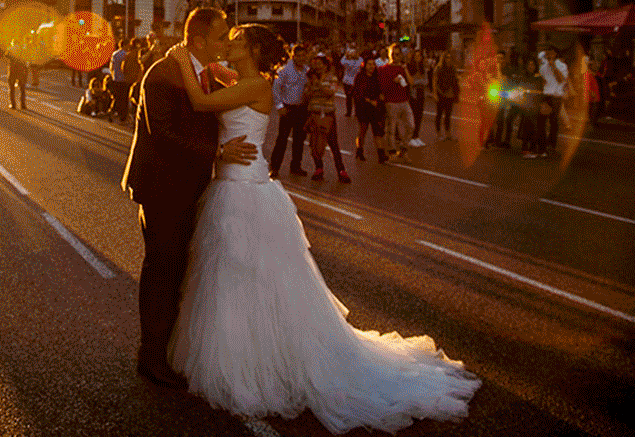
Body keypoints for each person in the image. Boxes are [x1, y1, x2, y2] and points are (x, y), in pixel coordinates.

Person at [163, 23, 480, 434]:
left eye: (236, 41)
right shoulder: (241, 79)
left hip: (244, 189)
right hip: (233, 183)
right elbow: (218, 79)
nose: (228, 44)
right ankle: (249, 354)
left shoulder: (256, 85)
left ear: (253, 50)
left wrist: (178, 58)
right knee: (234, 279)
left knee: (250, 277)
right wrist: (205, 64)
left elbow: (202, 102)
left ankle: (258, 364)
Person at [121, 7, 257, 390]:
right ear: (197, 41)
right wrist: (217, 153)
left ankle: (166, 350)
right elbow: (162, 132)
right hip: (162, 187)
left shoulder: (207, 73)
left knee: (179, 269)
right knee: (163, 269)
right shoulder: (163, 73)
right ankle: (150, 356)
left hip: (192, 186)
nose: (226, 43)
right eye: (219, 37)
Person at [303, 54, 350, 182]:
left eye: (319, 63)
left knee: (333, 144)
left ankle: (341, 170)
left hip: (328, 114)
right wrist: (311, 88)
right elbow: (306, 93)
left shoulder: (332, 78)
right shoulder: (310, 78)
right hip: (314, 113)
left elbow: (330, 92)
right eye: (315, 63)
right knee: (314, 143)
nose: (317, 66)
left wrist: (318, 85)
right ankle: (319, 168)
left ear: (325, 65)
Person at [268, 43, 310, 178]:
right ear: (293, 56)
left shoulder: (307, 71)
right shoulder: (284, 70)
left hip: (301, 109)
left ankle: (296, 166)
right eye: (299, 55)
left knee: (299, 140)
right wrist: (279, 106)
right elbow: (276, 88)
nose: (301, 58)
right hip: (288, 108)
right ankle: (274, 167)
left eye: (304, 55)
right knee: (282, 139)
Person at [377, 44, 414, 162]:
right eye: (393, 54)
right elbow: (382, 87)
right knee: (392, 129)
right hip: (391, 102)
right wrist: (393, 81)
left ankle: (403, 148)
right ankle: (392, 151)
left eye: (398, 54)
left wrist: (405, 69)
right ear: (389, 55)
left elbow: (411, 82)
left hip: (404, 100)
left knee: (411, 125)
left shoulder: (403, 67)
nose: (395, 57)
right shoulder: (384, 69)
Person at [351, 55, 387, 163]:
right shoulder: (360, 77)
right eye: (369, 64)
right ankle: (359, 150)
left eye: (373, 64)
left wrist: (380, 99)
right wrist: (370, 101)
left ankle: (381, 154)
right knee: (363, 130)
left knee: (377, 131)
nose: (372, 66)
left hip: (376, 109)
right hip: (363, 108)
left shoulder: (377, 77)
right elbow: (358, 93)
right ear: (365, 65)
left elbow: (381, 91)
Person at [538, 44, 568, 156]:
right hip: (546, 95)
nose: (547, 55)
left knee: (553, 122)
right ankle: (542, 145)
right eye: (546, 53)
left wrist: (553, 66)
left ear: (555, 54)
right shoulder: (543, 66)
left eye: (549, 52)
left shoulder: (562, 66)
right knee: (541, 121)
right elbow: (543, 80)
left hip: (556, 96)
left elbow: (561, 80)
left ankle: (551, 145)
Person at [517, 56, 545, 158]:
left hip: (535, 106)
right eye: (529, 64)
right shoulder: (524, 76)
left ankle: (533, 149)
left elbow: (540, 91)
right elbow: (520, 89)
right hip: (525, 106)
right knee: (525, 128)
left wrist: (529, 92)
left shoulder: (538, 77)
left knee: (534, 129)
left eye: (532, 64)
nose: (530, 66)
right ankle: (525, 149)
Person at [432, 50, 460, 140]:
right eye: (447, 57)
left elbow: (455, 81)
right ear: (444, 59)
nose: (448, 59)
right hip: (441, 93)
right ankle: (439, 133)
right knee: (439, 114)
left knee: (448, 115)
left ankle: (448, 134)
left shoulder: (452, 68)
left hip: (450, 95)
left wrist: (457, 93)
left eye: (450, 57)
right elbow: (434, 81)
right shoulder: (439, 68)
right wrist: (435, 93)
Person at [407, 48, 428, 146]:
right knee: (413, 116)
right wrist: (418, 81)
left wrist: (418, 81)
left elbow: (426, 81)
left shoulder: (423, 67)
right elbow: (411, 82)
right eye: (416, 56)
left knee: (419, 115)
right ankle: (411, 137)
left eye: (419, 56)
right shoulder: (410, 67)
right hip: (413, 93)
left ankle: (416, 136)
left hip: (421, 92)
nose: (418, 58)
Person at [109, 39, 131, 122]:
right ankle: (123, 116)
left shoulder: (115, 54)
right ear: (125, 45)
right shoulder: (126, 55)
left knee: (117, 98)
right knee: (124, 99)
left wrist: (113, 75)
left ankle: (112, 111)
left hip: (116, 79)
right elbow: (127, 68)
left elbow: (112, 66)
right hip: (124, 80)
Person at [339, 47, 363, 118]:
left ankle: (356, 112)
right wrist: (346, 56)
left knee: (356, 98)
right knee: (349, 98)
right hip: (347, 81)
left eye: (354, 53)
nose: (353, 55)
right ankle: (349, 112)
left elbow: (361, 66)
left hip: (356, 82)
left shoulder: (359, 60)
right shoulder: (347, 61)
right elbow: (342, 62)